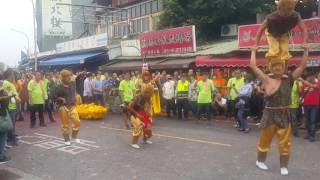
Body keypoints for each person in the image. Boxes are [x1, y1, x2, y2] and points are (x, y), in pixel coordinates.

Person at [250, 46, 309, 176]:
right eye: (275, 65)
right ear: (271, 67)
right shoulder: (266, 79)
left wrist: (306, 51)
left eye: (280, 65)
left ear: (284, 67)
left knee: (285, 143)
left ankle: (284, 166)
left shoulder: (289, 79)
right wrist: (254, 51)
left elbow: (301, 67)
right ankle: (260, 161)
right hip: (269, 114)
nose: (277, 67)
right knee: (264, 140)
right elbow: (253, 66)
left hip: (284, 115)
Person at [255, 0, 308, 69]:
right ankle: (269, 68)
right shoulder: (271, 17)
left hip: (284, 34)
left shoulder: (296, 16)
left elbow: (303, 29)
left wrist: (304, 41)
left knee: (285, 52)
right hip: (272, 34)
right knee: (274, 51)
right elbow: (260, 29)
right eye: (285, 11)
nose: (287, 13)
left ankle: (284, 69)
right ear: (279, 9)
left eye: (290, 10)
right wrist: (256, 44)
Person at [56, 70, 81, 146]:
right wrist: (61, 99)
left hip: (72, 106)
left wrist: (77, 96)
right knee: (65, 124)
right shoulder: (59, 87)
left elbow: (77, 77)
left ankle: (74, 136)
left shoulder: (73, 84)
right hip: (63, 107)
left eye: (69, 76)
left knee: (77, 121)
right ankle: (66, 139)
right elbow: (53, 96)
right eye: (66, 76)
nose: (68, 77)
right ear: (63, 78)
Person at [126, 84, 154, 149]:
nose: (148, 96)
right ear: (144, 92)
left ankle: (145, 140)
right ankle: (134, 143)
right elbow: (129, 107)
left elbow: (149, 105)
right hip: (133, 114)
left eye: (150, 94)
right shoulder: (137, 97)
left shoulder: (149, 97)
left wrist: (149, 112)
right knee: (139, 126)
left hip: (142, 113)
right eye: (147, 93)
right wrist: (137, 115)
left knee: (148, 127)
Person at [2, 69, 20, 146]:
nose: (14, 76)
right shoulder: (7, 83)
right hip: (11, 105)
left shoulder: (9, 83)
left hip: (12, 105)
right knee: (11, 123)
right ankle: (11, 139)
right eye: (13, 74)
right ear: (9, 75)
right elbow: (10, 94)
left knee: (12, 122)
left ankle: (12, 136)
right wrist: (16, 99)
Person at [302, 71, 320, 142]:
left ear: (313, 77)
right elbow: (303, 93)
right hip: (306, 105)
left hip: (314, 106)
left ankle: (312, 136)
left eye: (310, 77)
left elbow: (314, 87)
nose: (308, 78)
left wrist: (304, 81)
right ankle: (308, 134)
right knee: (307, 121)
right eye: (307, 77)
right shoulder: (305, 85)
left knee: (313, 121)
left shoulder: (318, 83)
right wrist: (301, 99)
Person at [0, 80, 12, 164]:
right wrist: (7, 96)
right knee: (2, 135)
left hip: (2, 113)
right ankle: (1, 156)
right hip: (1, 116)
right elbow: (5, 98)